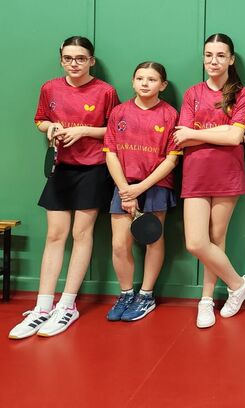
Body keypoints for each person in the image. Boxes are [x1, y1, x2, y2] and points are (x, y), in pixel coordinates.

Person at [9, 36, 119, 339]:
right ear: (61, 60)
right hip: (61, 168)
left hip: (93, 169)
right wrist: (51, 127)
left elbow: (114, 130)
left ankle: (67, 306)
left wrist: (83, 131)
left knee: (81, 234)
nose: (74, 63)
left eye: (81, 58)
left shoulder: (106, 91)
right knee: (55, 235)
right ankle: (42, 307)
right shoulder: (50, 88)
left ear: (91, 61)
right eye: (68, 58)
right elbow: (40, 120)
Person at [174, 33, 245, 329]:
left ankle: (206, 300)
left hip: (227, 174)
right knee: (196, 242)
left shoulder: (240, 94)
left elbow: (234, 137)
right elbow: (181, 138)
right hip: (195, 174)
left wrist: (196, 134)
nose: (214, 61)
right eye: (209, 55)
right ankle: (238, 284)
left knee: (216, 239)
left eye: (221, 55)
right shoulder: (192, 93)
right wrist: (222, 132)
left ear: (231, 59)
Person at [104, 62, 181, 322]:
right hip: (124, 185)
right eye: (140, 78)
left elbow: (172, 159)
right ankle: (126, 294)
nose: (145, 83)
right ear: (133, 81)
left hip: (156, 185)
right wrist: (126, 190)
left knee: (153, 240)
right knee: (119, 244)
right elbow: (111, 154)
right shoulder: (118, 112)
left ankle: (146, 295)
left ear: (163, 85)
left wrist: (141, 187)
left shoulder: (170, 114)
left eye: (152, 79)